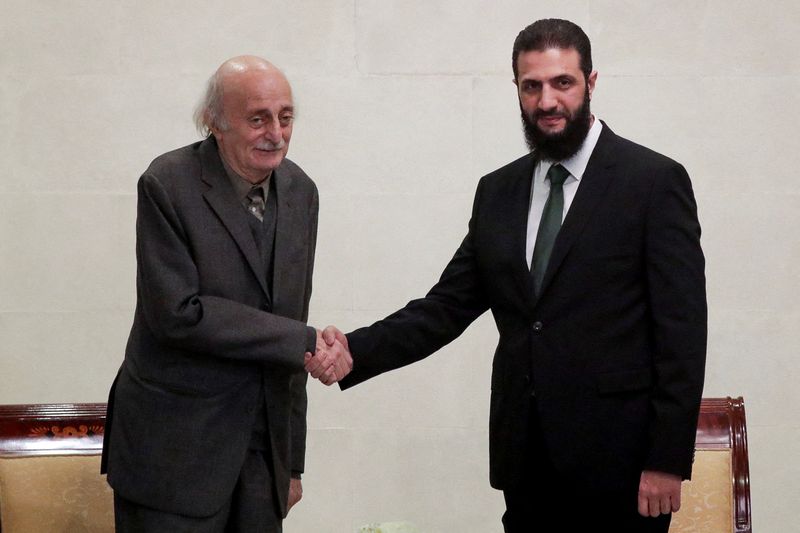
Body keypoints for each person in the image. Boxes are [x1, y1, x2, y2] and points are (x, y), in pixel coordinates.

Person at [310, 18, 706, 532]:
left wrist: (667, 458)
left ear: (591, 82)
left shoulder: (653, 182)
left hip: (623, 467)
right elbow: (444, 307)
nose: (547, 101)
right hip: (526, 464)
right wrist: (353, 352)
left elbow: (682, 332)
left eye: (562, 82)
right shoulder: (497, 192)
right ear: (517, 89)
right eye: (532, 85)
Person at [102, 55, 350, 532]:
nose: (276, 133)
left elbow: (290, 320)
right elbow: (179, 313)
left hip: (260, 461)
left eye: (286, 116)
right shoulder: (167, 184)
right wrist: (305, 338)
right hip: (173, 455)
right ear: (214, 122)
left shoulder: (302, 192)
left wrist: (290, 463)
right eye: (258, 118)